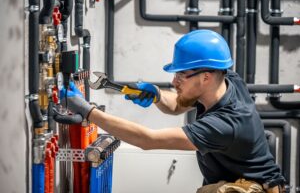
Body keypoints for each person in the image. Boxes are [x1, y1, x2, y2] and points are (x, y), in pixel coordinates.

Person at [61, 29, 285, 193]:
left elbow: (148, 140)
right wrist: (157, 95)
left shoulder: (226, 125)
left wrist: (88, 112)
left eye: (181, 75)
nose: (174, 81)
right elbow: (178, 104)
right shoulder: (226, 81)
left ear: (206, 77)